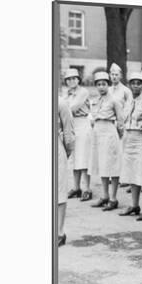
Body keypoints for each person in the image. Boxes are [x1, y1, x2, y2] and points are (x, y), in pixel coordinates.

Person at [118, 72, 142, 221]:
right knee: (131, 173)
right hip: (129, 139)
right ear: (130, 85)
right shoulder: (127, 101)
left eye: (139, 83)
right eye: (133, 83)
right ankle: (134, 205)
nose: (136, 85)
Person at [89, 72, 125, 211]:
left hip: (110, 131)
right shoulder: (95, 100)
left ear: (108, 84)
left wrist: (119, 134)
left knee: (113, 165)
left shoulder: (114, 100)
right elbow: (92, 116)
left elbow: (120, 120)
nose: (101, 87)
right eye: (98, 84)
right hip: (98, 131)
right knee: (102, 164)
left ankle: (113, 198)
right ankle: (104, 196)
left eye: (104, 84)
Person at [63, 68, 93, 202]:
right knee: (74, 158)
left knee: (83, 157)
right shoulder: (67, 93)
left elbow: (72, 107)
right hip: (72, 124)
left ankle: (86, 188)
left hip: (82, 123)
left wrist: (64, 107)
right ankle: (76, 188)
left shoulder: (83, 92)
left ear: (78, 79)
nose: (71, 81)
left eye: (74, 78)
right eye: (69, 79)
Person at [57, 98, 75, 246]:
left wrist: (66, 152)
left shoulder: (60, 103)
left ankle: (59, 232)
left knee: (59, 190)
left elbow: (68, 133)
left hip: (55, 149)